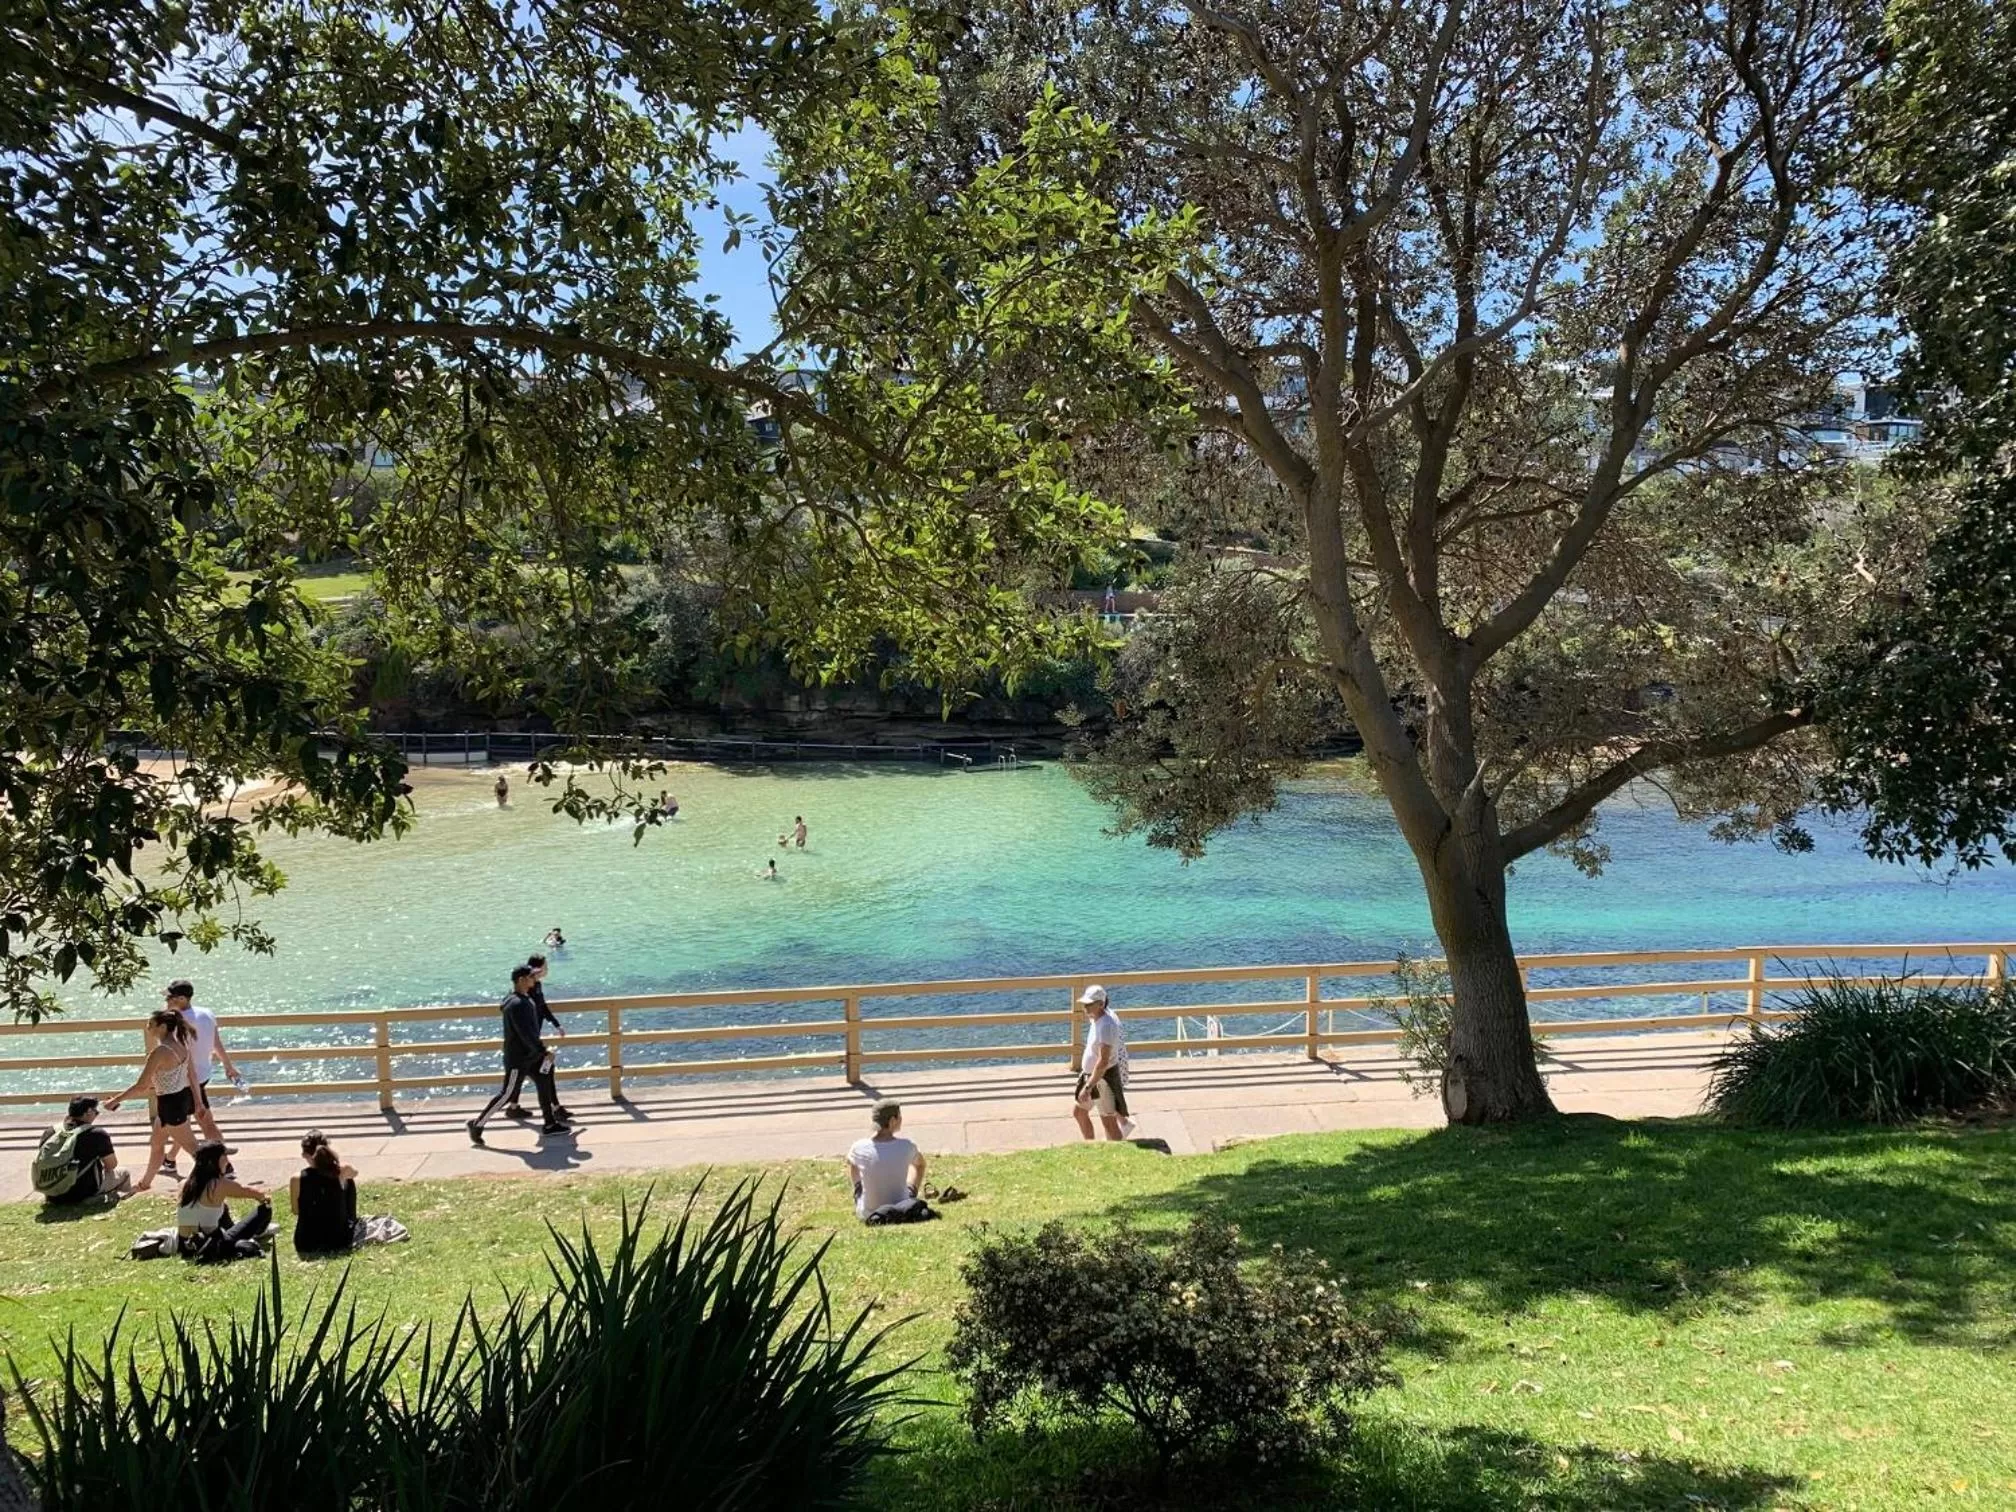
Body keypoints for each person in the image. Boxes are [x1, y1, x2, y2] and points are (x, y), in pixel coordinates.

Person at [467, 964, 571, 1143]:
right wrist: (543, 1051)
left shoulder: (517, 998)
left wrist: (540, 1053)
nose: (534, 979)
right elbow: (526, 1033)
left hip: (532, 1056)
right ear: (522, 980)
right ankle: (477, 1125)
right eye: (531, 977)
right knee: (507, 1094)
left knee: (544, 1081)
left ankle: (549, 1123)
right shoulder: (518, 1004)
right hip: (519, 1059)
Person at [105, 1009, 202, 1191]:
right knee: (157, 1144)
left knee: (195, 1151)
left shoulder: (160, 1052)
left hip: (171, 1105)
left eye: (151, 1024)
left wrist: (115, 1101)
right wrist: (198, 1102)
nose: (147, 1027)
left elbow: (141, 1085)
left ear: (163, 1027)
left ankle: (217, 1182)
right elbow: (188, 1076)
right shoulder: (181, 1045)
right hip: (178, 1100)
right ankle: (145, 1183)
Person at [290, 1130, 411, 1256]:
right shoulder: (342, 1170)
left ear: (304, 1154)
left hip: (305, 1243)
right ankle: (349, 1221)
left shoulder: (296, 1179)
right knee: (349, 1182)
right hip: (338, 1241)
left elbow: (296, 1210)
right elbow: (355, 1173)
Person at [162, 979, 244, 1146]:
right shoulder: (207, 1013)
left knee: (203, 1122)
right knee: (184, 1120)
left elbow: (176, 1053)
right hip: (203, 1074)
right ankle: (170, 1158)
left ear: (183, 999)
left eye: (170, 998)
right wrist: (228, 1066)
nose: (167, 1001)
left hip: (186, 1080)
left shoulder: (175, 1021)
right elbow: (216, 1043)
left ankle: (223, 1160)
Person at [175, 1140, 272, 1261]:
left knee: (222, 1207)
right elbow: (253, 1193)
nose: (228, 1161)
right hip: (213, 1245)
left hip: (186, 1247)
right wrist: (264, 1198)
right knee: (265, 1208)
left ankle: (235, 1231)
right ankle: (258, 1233)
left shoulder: (184, 1184)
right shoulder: (220, 1184)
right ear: (215, 1161)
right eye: (225, 1156)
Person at [505, 954, 572, 1122]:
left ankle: (516, 1107)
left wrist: (556, 1024)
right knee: (543, 1072)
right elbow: (532, 1012)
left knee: (537, 1073)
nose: (547, 970)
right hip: (530, 1042)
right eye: (545, 967)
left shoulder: (536, 986)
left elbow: (542, 1007)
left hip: (533, 1039)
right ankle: (554, 1110)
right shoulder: (526, 991)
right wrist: (541, 1048)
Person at [844, 1101, 933, 1224]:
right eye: (899, 1116)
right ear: (892, 1121)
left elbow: (852, 1164)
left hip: (868, 1214)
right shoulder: (906, 1146)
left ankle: (860, 1193)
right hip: (902, 1209)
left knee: (855, 1166)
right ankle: (911, 1193)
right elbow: (920, 1164)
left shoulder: (858, 1147)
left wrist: (858, 1187)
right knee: (917, 1166)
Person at [33, 1096, 129, 1206]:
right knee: (124, 1173)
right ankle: (116, 1199)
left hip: (52, 1192)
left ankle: (59, 1199)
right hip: (83, 1192)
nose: (97, 1114)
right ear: (88, 1112)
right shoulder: (97, 1134)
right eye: (96, 1111)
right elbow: (111, 1165)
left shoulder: (51, 1131)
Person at [1072, 984, 1136, 1142]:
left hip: (1102, 1080)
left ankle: (1118, 1154)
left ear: (1101, 1004)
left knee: (1109, 1123)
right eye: (1085, 1004)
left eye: (1089, 1004)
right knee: (1079, 1113)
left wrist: (1088, 1087)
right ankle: (1091, 1146)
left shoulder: (1106, 1025)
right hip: (1091, 1076)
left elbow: (1103, 1060)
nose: (1085, 1007)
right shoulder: (1096, 1019)